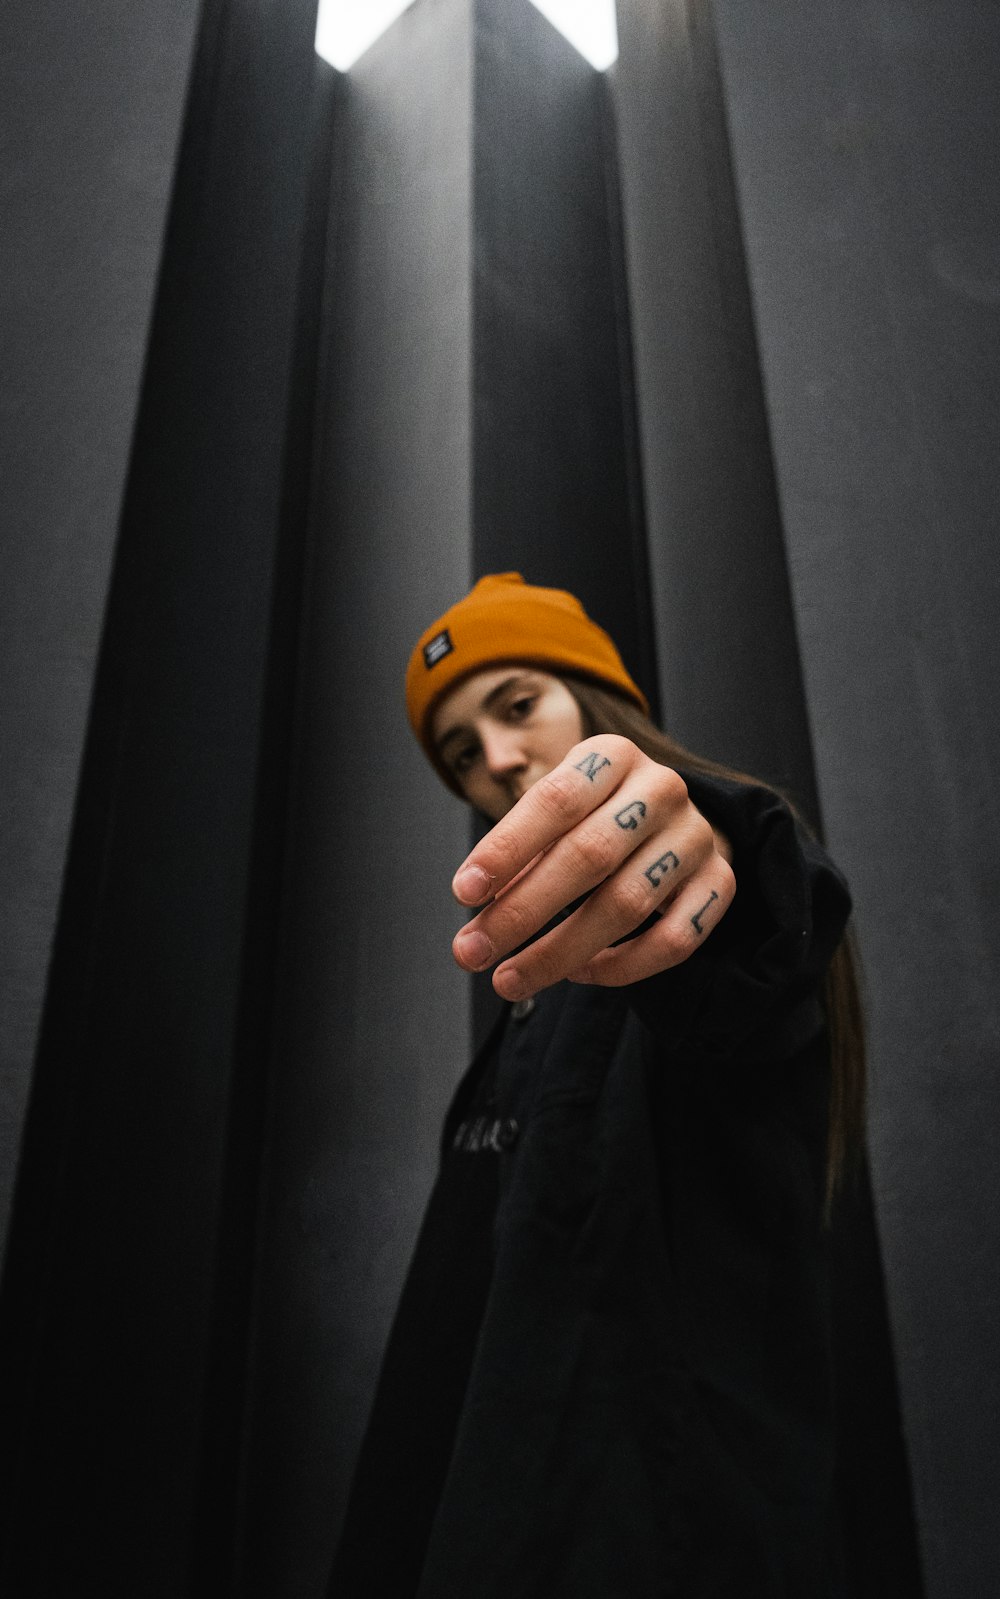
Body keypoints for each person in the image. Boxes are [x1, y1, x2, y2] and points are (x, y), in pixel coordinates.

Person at [328, 572, 864, 1599]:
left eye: (517, 703)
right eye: (458, 755)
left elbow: (746, 937)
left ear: (597, 703)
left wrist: (705, 831)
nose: (493, 760)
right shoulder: (531, 992)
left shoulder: (690, 919)